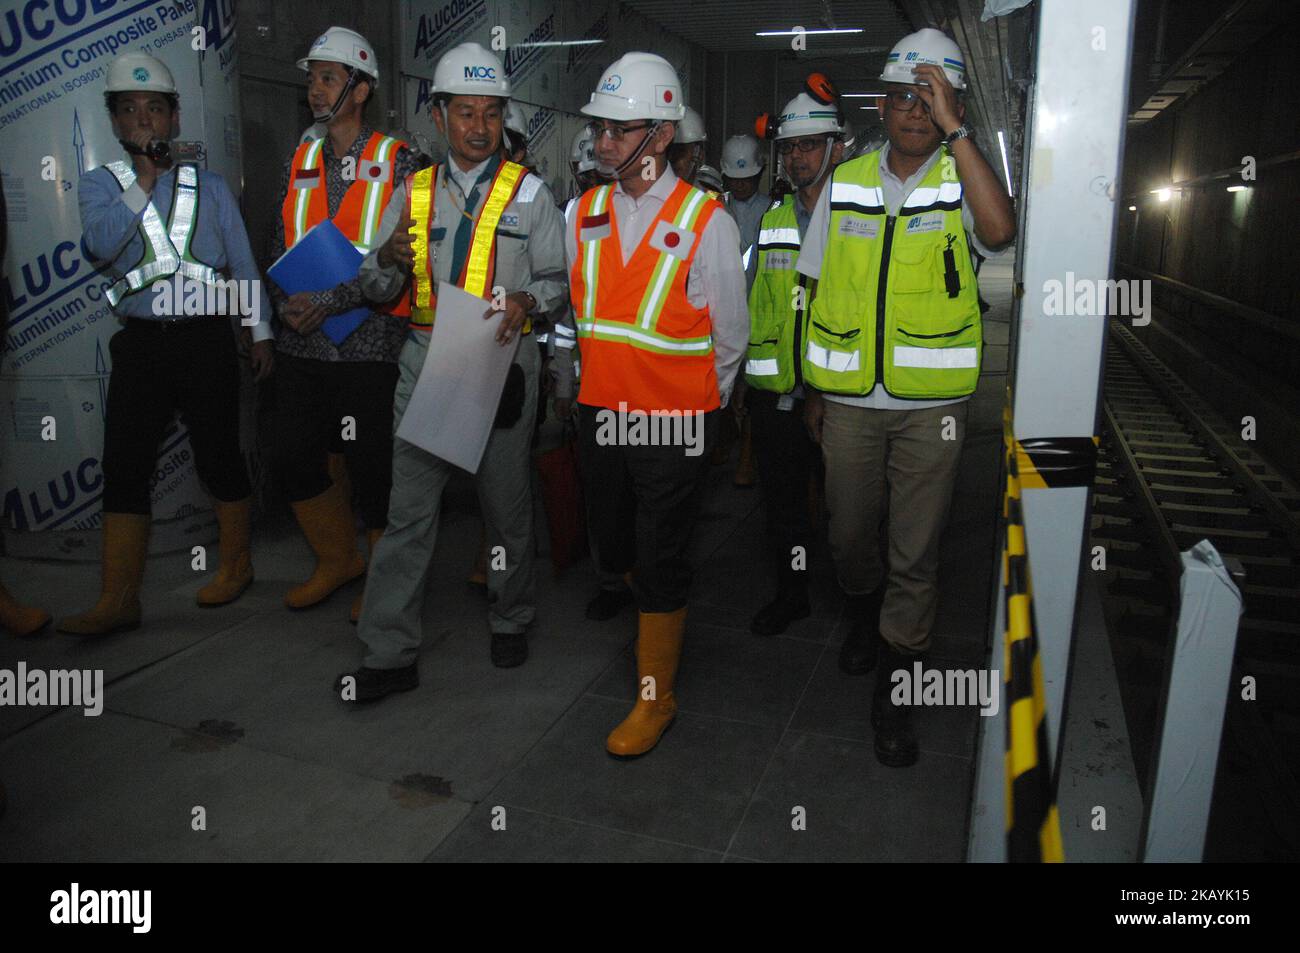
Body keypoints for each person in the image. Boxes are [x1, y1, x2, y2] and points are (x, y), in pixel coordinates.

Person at [797, 28, 1015, 766]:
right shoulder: (849, 181)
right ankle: (862, 611)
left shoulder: (963, 176)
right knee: (849, 536)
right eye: (904, 98)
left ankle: (898, 681)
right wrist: (813, 389)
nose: (916, 111)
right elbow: (816, 282)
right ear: (883, 106)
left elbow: (1000, 228)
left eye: (932, 99)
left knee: (915, 553)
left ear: (949, 106)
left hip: (932, 411)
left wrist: (960, 132)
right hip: (851, 403)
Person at [333, 41, 567, 700]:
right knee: (408, 512)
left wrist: (530, 300)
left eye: (491, 114)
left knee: (506, 505)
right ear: (439, 116)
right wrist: (392, 262)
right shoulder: (413, 193)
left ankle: (512, 615)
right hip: (426, 357)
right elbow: (377, 284)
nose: (479, 127)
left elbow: (558, 281)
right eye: (465, 113)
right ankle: (389, 653)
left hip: (500, 357)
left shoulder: (531, 194)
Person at [568, 52, 748, 756]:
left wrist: (704, 413)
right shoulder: (583, 211)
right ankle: (650, 603)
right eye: (600, 129)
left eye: (620, 130)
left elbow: (730, 338)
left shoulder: (708, 222)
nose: (604, 143)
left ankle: (655, 698)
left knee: (661, 552)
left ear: (661, 136)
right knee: (615, 548)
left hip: (676, 425)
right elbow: (582, 320)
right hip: (601, 416)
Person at [59, 52, 273, 635]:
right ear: (115, 122)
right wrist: (144, 183)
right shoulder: (101, 187)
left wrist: (259, 331)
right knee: (124, 465)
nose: (144, 120)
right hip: (143, 346)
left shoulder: (211, 186)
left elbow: (243, 264)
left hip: (205, 340)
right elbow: (101, 245)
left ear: (174, 119)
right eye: (130, 110)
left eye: (155, 108)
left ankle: (237, 565)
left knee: (219, 456)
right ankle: (119, 599)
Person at [270, 27, 426, 622]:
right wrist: (283, 297)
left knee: (372, 466)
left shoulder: (402, 160)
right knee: (292, 454)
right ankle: (337, 559)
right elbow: (278, 236)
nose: (314, 89)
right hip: (301, 336)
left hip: (370, 339)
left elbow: (402, 251)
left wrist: (330, 301)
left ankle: (382, 579)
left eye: (328, 78)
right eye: (312, 78)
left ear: (360, 90)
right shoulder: (300, 158)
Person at [741, 90, 847, 637]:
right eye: (789, 147)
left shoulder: (862, 217)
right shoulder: (773, 219)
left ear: (837, 147)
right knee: (783, 507)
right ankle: (792, 593)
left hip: (847, 395)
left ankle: (859, 608)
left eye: (809, 144)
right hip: (779, 394)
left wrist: (828, 389)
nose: (798, 157)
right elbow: (754, 297)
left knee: (852, 514)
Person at [721, 133, 769, 268]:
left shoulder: (772, 210)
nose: (740, 185)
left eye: (747, 178)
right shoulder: (716, 207)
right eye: (734, 179)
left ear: (759, 175)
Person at [667, 106, 707, 185]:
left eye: (681, 151)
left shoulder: (708, 196)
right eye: (668, 150)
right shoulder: (648, 195)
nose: (673, 158)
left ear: (699, 154)